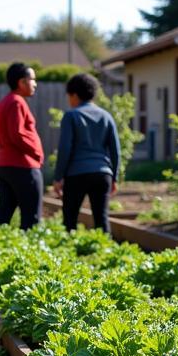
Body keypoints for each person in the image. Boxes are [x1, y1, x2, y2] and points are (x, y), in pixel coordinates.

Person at [52, 72, 121, 235]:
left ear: (74, 95)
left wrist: (58, 177)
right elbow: (115, 150)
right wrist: (114, 177)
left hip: (77, 174)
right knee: (101, 219)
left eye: (69, 96)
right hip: (102, 173)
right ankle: (106, 253)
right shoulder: (106, 116)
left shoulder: (71, 115)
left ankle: (68, 256)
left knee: (70, 220)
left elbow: (65, 149)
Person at [0, 61, 44, 230]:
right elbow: (17, 134)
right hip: (22, 165)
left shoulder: (4, 102)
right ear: (21, 82)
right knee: (31, 217)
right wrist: (36, 152)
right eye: (32, 79)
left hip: (5, 164)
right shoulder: (16, 102)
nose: (35, 83)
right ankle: (32, 253)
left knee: (3, 214)